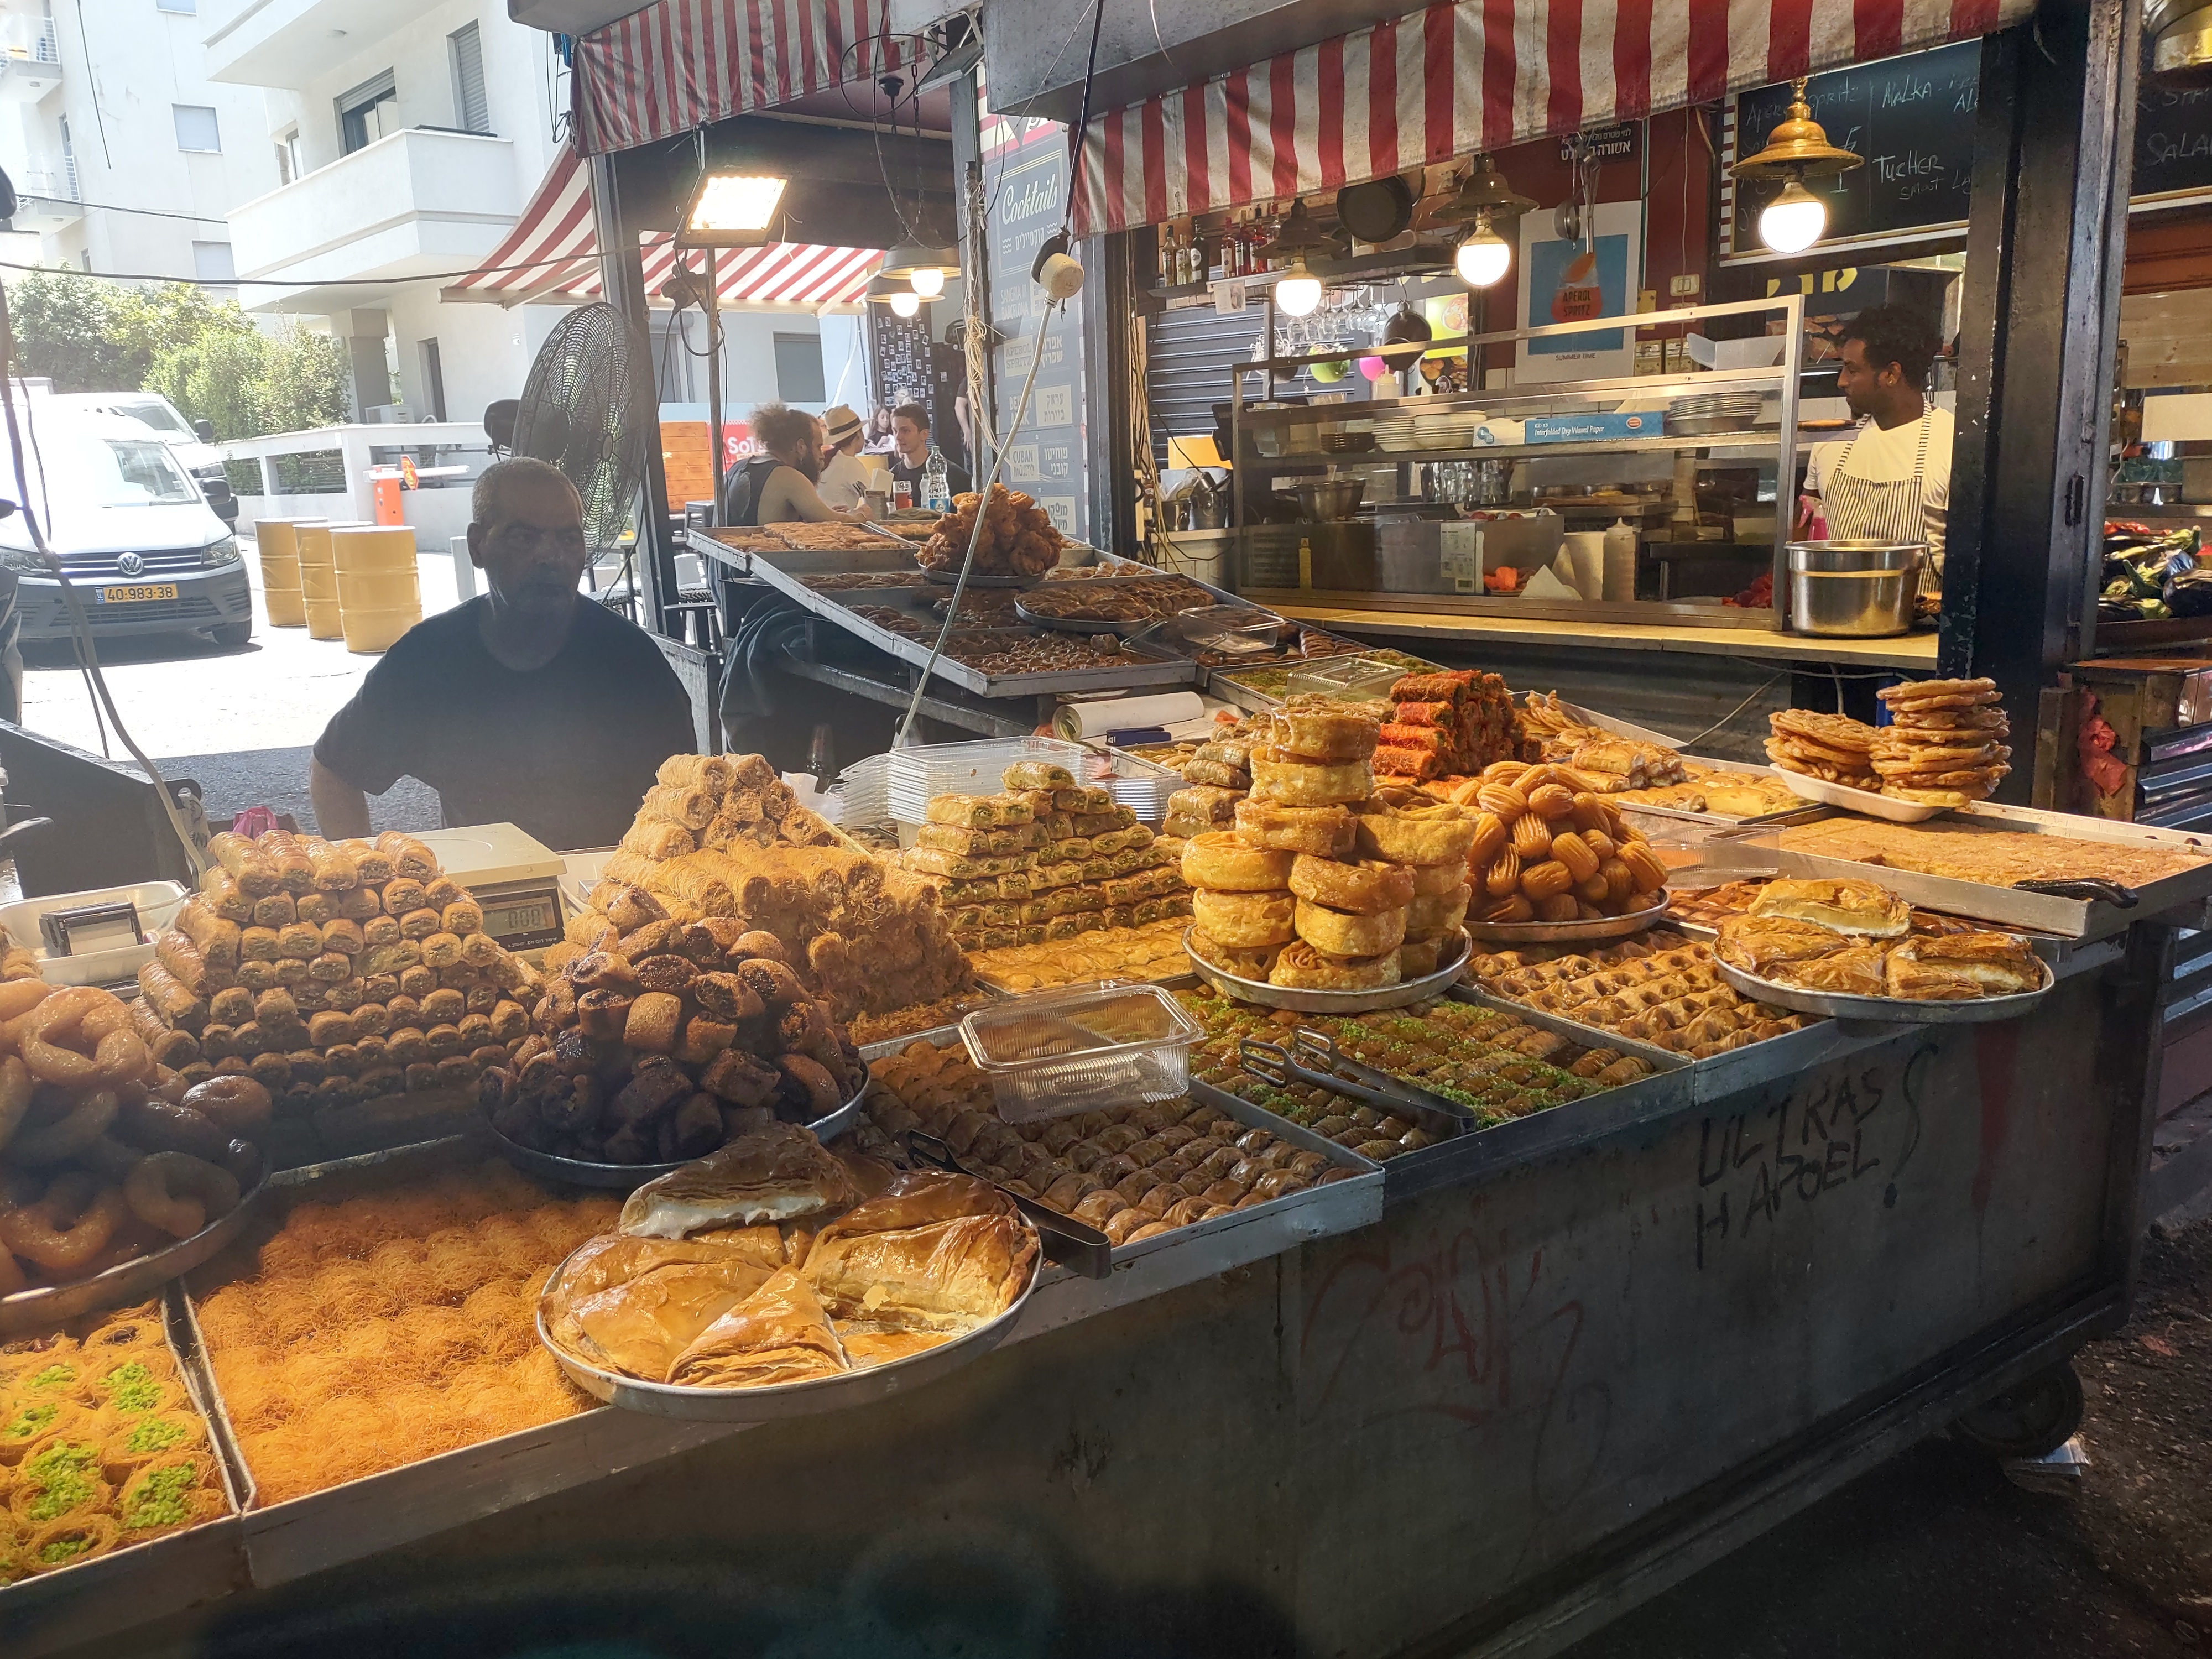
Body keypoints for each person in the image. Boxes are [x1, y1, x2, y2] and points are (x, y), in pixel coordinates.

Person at [309, 457, 694, 851]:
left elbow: (691, 797)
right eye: (524, 537)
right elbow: (334, 771)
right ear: (477, 546)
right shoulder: (428, 661)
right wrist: (360, 869)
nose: (551, 556)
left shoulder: (632, 663)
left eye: (568, 539)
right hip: (480, 884)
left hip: (609, 881)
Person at [1798, 304, 1954, 594]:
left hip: (1921, 620)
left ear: (1891, 374)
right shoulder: (1832, 441)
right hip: (1835, 611)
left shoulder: (1953, 443)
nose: (1841, 381)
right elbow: (1804, 527)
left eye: (1852, 369)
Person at [722, 404, 853, 525]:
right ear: (801, 446)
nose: (822, 455)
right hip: (758, 544)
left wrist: (826, 513)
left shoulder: (738, 466)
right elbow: (832, 520)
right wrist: (859, 515)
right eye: (818, 447)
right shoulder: (788, 476)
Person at [889, 401, 971, 502]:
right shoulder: (892, 478)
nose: (898, 437)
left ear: (924, 434)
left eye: (905, 431)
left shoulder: (953, 476)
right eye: (895, 431)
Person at [816, 403, 873, 511]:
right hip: (838, 521)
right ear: (859, 435)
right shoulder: (849, 463)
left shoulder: (830, 459)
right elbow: (875, 499)